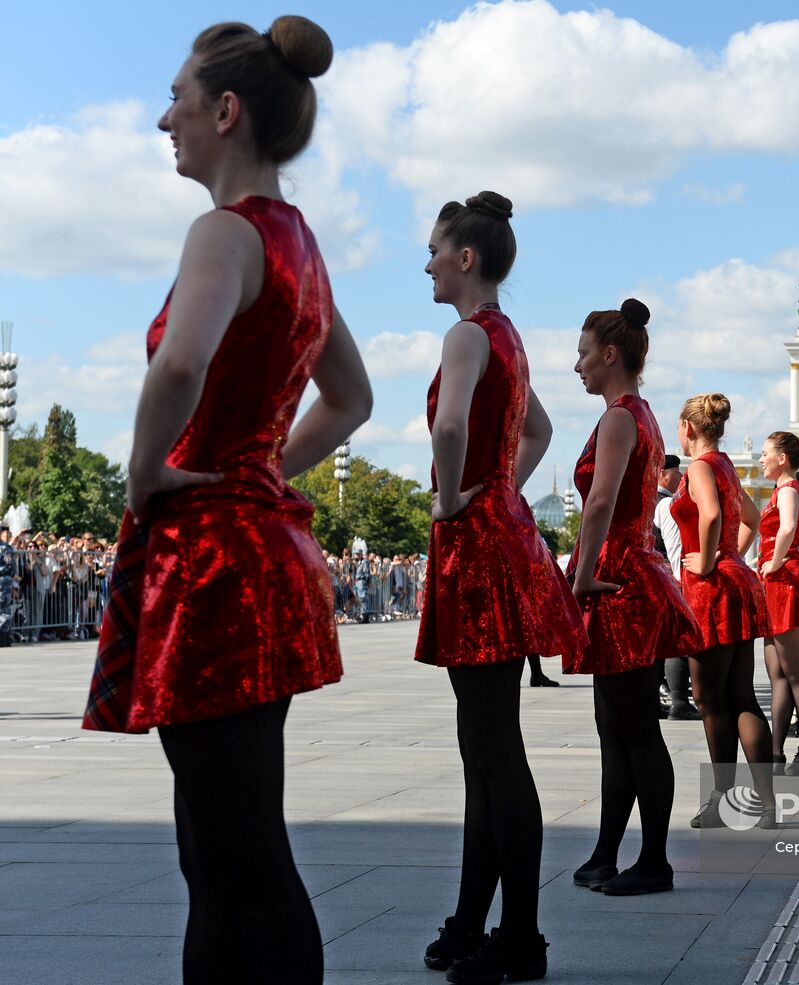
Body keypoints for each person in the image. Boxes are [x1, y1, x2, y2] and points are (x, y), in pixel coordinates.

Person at [80, 18, 372, 985]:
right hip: (264, 550)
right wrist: (266, 469)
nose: (165, 118)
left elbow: (180, 362)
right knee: (235, 843)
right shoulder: (298, 242)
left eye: (177, 98)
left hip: (208, 559)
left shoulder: (224, 231)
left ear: (225, 110)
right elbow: (352, 397)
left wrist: (145, 470)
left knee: (227, 855)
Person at [414, 191, 587, 984]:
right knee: (486, 752)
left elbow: (450, 426)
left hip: (475, 553)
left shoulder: (463, 335)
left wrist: (455, 495)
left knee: (493, 756)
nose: (428, 263)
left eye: (435, 250)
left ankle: (519, 937)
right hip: (504, 543)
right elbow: (541, 429)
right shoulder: (505, 337)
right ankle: (473, 921)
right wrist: (504, 490)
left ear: (467, 258)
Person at [566, 298, 703, 896]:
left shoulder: (620, 417)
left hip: (618, 575)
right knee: (616, 724)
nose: (578, 365)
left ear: (610, 354)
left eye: (583, 352)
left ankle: (653, 861)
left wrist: (581, 574)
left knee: (632, 727)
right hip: (632, 570)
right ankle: (607, 851)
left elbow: (600, 501)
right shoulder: (638, 414)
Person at [670, 393, 776, 828]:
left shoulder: (698, 467)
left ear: (688, 428)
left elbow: (711, 515)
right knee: (743, 696)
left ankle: (721, 799)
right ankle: (767, 804)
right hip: (739, 583)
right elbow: (754, 517)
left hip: (710, 588)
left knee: (709, 700)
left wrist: (711, 559)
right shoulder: (727, 465)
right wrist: (733, 555)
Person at [758, 432, 799, 772]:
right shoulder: (781, 490)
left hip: (786, 581)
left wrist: (776, 560)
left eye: (765, 453)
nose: (761, 458)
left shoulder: (789, 490)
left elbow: (785, 530)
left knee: (796, 673)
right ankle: (775, 752)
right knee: (778, 674)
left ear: (783, 458)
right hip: (775, 583)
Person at [654, 453, 699, 719]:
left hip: (658, 578)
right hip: (671, 577)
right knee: (676, 644)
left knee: (661, 645)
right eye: (677, 472)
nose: (681, 477)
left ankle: (659, 700)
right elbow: (675, 547)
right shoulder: (667, 503)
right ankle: (679, 701)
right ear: (663, 473)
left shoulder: (649, 500)